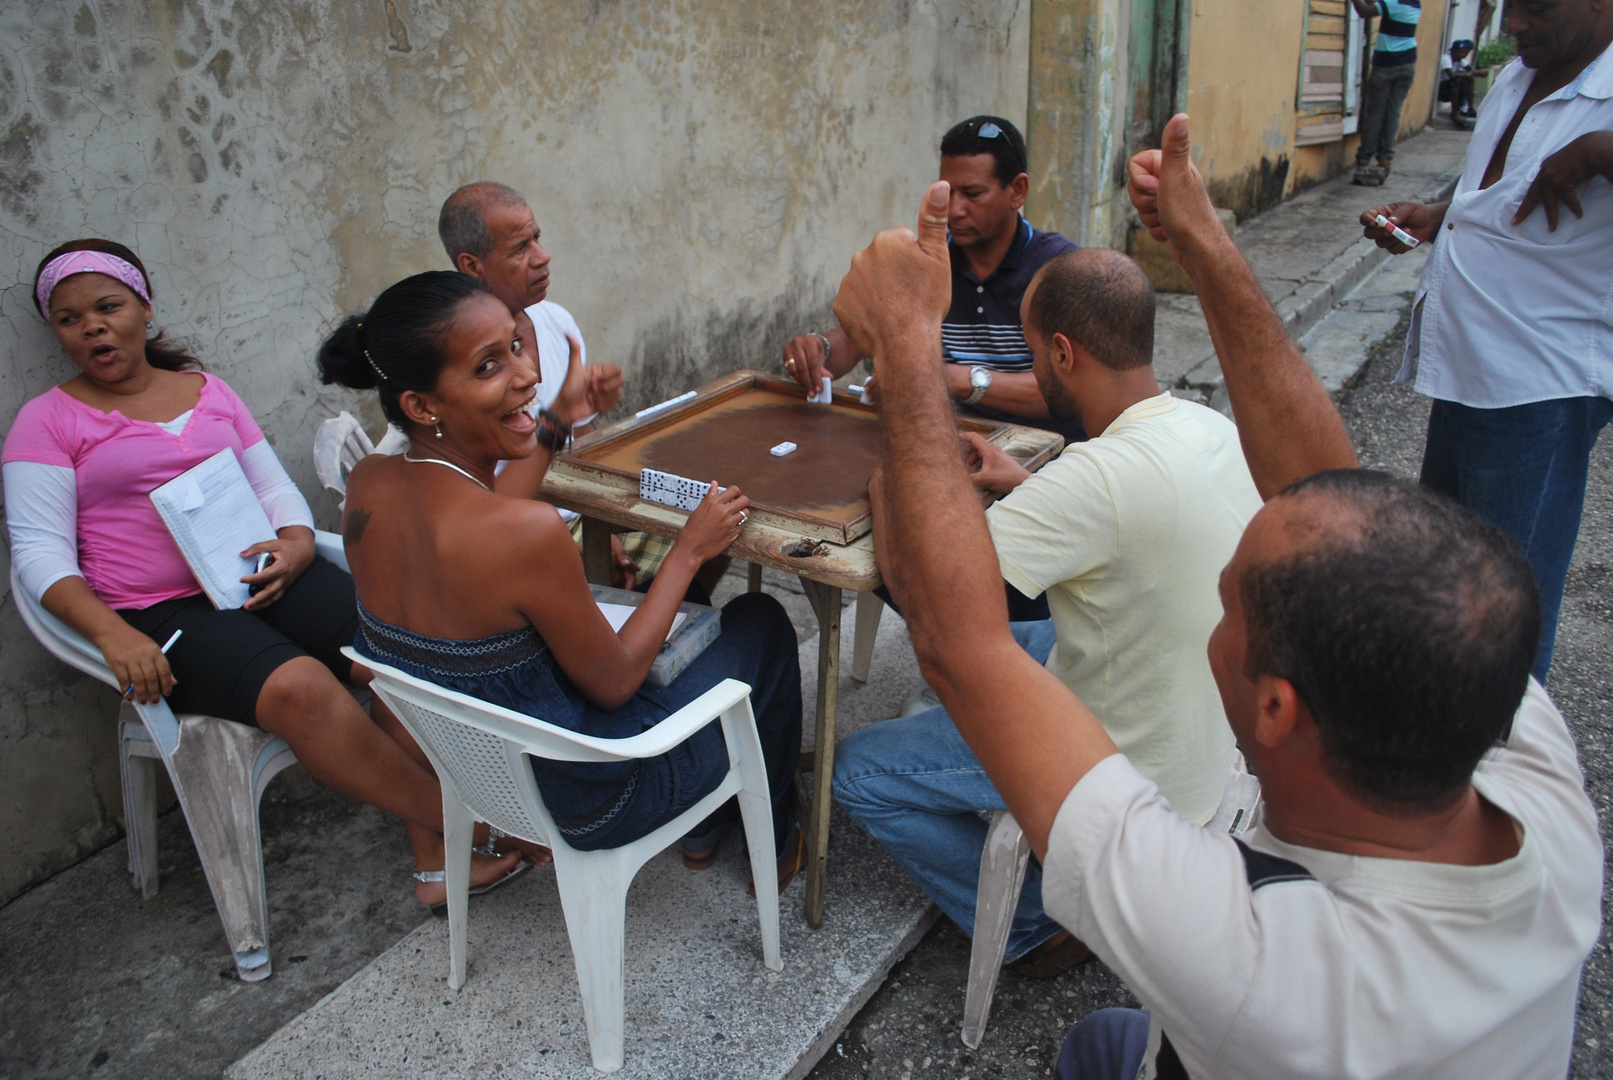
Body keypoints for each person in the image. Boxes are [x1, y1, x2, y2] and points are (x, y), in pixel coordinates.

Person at [830, 113, 1600, 1079]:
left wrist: (904, 348)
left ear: (1274, 708)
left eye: (1229, 601)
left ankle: (1029, 933)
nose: (1213, 603)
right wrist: (1204, 244)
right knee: (1105, 1037)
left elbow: (963, 646)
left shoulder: (1253, 960)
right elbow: (1330, 495)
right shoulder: (1531, 774)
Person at [1, 240, 530, 914]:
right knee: (302, 689)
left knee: (397, 651)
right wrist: (113, 636)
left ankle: (436, 865)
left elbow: (272, 487)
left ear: (144, 308)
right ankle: (482, 824)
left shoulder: (208, 391)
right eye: (70, 319)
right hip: (162, 612)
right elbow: (40, 554)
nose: (93, 327)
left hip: (260, 576)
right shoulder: (45, 423)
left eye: (108, 307)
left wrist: (297, 544)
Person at [831, 248, 1261, 977]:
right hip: (1195, 727)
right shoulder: (1203, 426)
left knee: (857, 771)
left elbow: (932, 604)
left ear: (1061, 352)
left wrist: (892, 482)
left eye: (1032, 354)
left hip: (1124, 758)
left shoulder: (1096, 478)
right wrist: (1020, 480)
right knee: (1032, 634)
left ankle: (1035, 925)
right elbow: (1126, 522)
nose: (1032, 367)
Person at [318, 270, 805, 881]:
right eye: (488, 366)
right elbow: (616, 683)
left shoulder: (369, 485)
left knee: (676, 624)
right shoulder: (525, 532)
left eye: (517, 346)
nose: (527, 375)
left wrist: (551, 424)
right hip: (591, 803)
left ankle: (714, 827)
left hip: (482, 784)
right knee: (759, 622)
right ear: (421, 405)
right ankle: (775, 833)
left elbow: (480, 508)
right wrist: (688, 550)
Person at [1360, 0, 1613, 680]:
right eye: (1509, 7)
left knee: (1502, 605)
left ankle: (1503, 767)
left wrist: (1599, 148)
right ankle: (1439, 742)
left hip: (1539, 380)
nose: (1512, 27)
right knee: (1449, 579)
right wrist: (1439, 216)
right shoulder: (1518, 75)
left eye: (1534, 8)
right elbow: (1499, 191)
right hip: (1468, 366)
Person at [781, 115, 1083, 445]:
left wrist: (950, 378)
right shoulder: (921, 265)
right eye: (948, 192)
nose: (955, 210)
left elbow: (1076, 389)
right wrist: (818, 351)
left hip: (1041, 460)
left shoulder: (1061, 271)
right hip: (947, 450)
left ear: (1017, 191)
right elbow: (853, 343)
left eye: (973, 193)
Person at [1350, 0, 1424, 186]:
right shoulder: (1415, 3)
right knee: (1393, 112)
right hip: (1407, 65)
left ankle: (1365, 157)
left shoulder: (1394, 2)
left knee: (1375, 113)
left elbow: (1364, 10)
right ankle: (1385, 158)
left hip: (1386, 65)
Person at [1439, 39, 1484, 126]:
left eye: (1465, 52)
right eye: (1462, 52)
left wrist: (1475, 73)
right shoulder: (1446, 58)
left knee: (1468, 79)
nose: (1464, 55)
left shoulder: (1460, 60)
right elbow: (1451, 75)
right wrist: (1468, 74)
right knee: (1455, 83)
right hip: (1442, 89)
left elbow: (1471, 70)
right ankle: (1454, 114)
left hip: (1452, 87)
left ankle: (1470, 108)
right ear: (1454, 51)